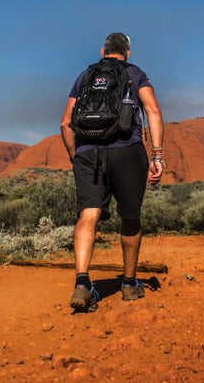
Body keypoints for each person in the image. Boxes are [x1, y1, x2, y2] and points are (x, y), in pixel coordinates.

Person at [60, 32, 164, 310]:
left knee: (88, 214)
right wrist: (157, 155)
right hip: (127, 151)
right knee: (130, 216)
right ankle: (129, 284)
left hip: (87, 152)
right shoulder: (134, 73)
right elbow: (152, 111)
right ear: (128, 53)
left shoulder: (85, 76)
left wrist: (76, 157)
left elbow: (65, 123)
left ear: (102, 50)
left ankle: (82, 283)